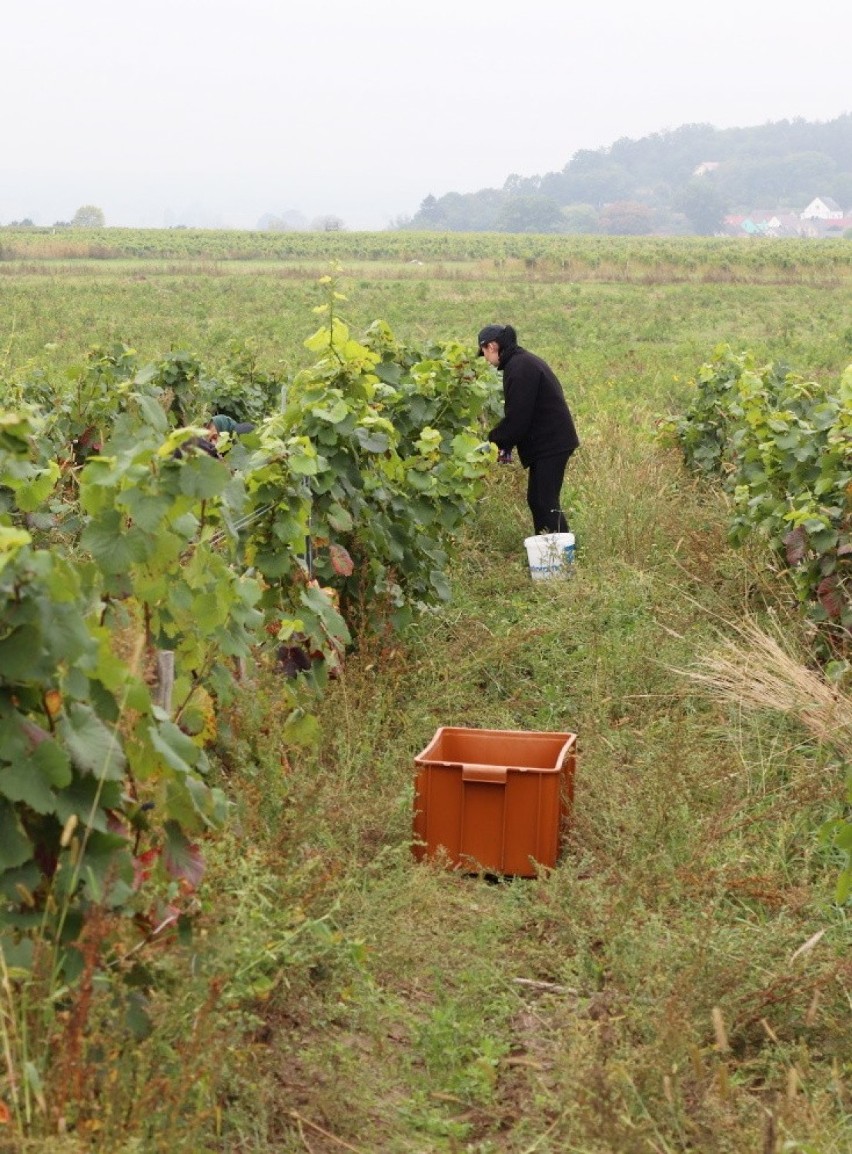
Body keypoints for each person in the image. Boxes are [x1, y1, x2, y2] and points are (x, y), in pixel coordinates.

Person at [478, 324, 579, 534]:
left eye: (485, 352)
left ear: (493, 346)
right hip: (550, 441)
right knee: (539, 500)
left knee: (544, 502)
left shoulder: (519, 368)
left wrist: (493, 441)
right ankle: (552, 555)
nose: (486, 359)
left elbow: (518, 420)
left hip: (551, 443)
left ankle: (556, 558)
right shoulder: (521, 362)